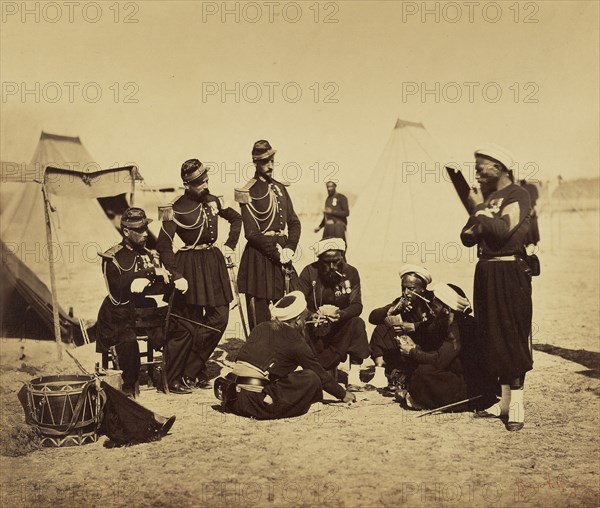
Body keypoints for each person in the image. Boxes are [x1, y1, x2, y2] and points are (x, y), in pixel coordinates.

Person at [461, 144, 533, 431]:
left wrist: (479, 210)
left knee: (511, 332)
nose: (476, 172)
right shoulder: (490, 198)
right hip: (486, 269)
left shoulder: (518, 194)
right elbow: (467, 236)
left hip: (509, 269)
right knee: (491, 333)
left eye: (481, 166)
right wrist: (480, 214)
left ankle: (517, 403)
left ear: (499, 167)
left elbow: (503, 230)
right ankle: (503, 402)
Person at [156, 159, 242, 389]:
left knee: (221, 317)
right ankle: (177, 377)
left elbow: (236, 218)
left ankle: (192, 368)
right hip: (189, 267)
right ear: (186, 184)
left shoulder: (213, 199)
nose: (204, 185)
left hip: (213, 263)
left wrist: (230, 244)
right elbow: (164, 244)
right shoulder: (174, 208)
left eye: (206, 180)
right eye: (198, 183)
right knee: (187, 324)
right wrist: (176, 275)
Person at [214, 291, 356, 419]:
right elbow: (320, 375)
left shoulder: (261, 327)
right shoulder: (295, 339)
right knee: (310, 377)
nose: (305, 322)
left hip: (233, 396)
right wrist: (343, 394)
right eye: (305, 318)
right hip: (257, 403)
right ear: (298, 320)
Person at [96, 207, 192, 396]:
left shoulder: (149, 254)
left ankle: (171, 378)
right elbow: (116, 292)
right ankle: (129, 385)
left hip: (146, 315)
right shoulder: (112, 257)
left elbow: (160, 282)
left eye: (145, 228)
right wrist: (145, 274)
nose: (145, 233)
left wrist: (167, 277)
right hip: (118, 315)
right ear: (125, 232)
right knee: (128, 342)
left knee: (184, 331)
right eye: (139, 230)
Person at [235, 140, 301, 330]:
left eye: (272, 160)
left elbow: (294, 222)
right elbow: (252, 233)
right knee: (260, 314)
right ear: (255, 162)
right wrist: (276, 253)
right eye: (265, 162)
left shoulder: (280, 188)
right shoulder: (247, 191)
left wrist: (290, 247)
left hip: (282, 251)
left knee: (291, 305)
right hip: (259, 257)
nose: (271, 165)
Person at [298, 238, 370, 391]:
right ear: (319, 260)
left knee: (357, 322)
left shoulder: (351, 272)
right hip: (315, 327)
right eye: (326, 262)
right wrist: (312, 316)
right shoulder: (309, 272)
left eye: (336, 261)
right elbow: (298, 302)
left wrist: (341, 315)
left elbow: (356, 305)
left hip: (340, 327)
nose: (331, 266)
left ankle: (354, 376)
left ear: (342, 257)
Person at [396, 283, 472, 410]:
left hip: (467, 384)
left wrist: (412, 351)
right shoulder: (446, 322)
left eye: (435, 305)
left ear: (446, 309)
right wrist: (415, 347)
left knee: (423, 372)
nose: (431, 309)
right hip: (456, 374)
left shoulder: (455, 329)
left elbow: (439, 361)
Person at [367, 264, 434, 391]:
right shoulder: (402, 301)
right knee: (383, 327)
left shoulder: (433, 301)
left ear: (423, 289)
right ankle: (379, 374)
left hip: (428, 347)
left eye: (411, 288)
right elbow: (372, 317)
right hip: (407, 346)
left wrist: (414, 326)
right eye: (403, 288)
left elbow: (438, 325)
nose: (406, 292)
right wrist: (392, 309)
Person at [520, 179, 540, 248]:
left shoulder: (522, 189)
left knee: (528, 227)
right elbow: (537, 197)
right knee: (533, 225)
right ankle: (534, 241)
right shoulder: (533, 186)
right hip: (533, 210)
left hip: (527, 211)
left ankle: (529, 243)